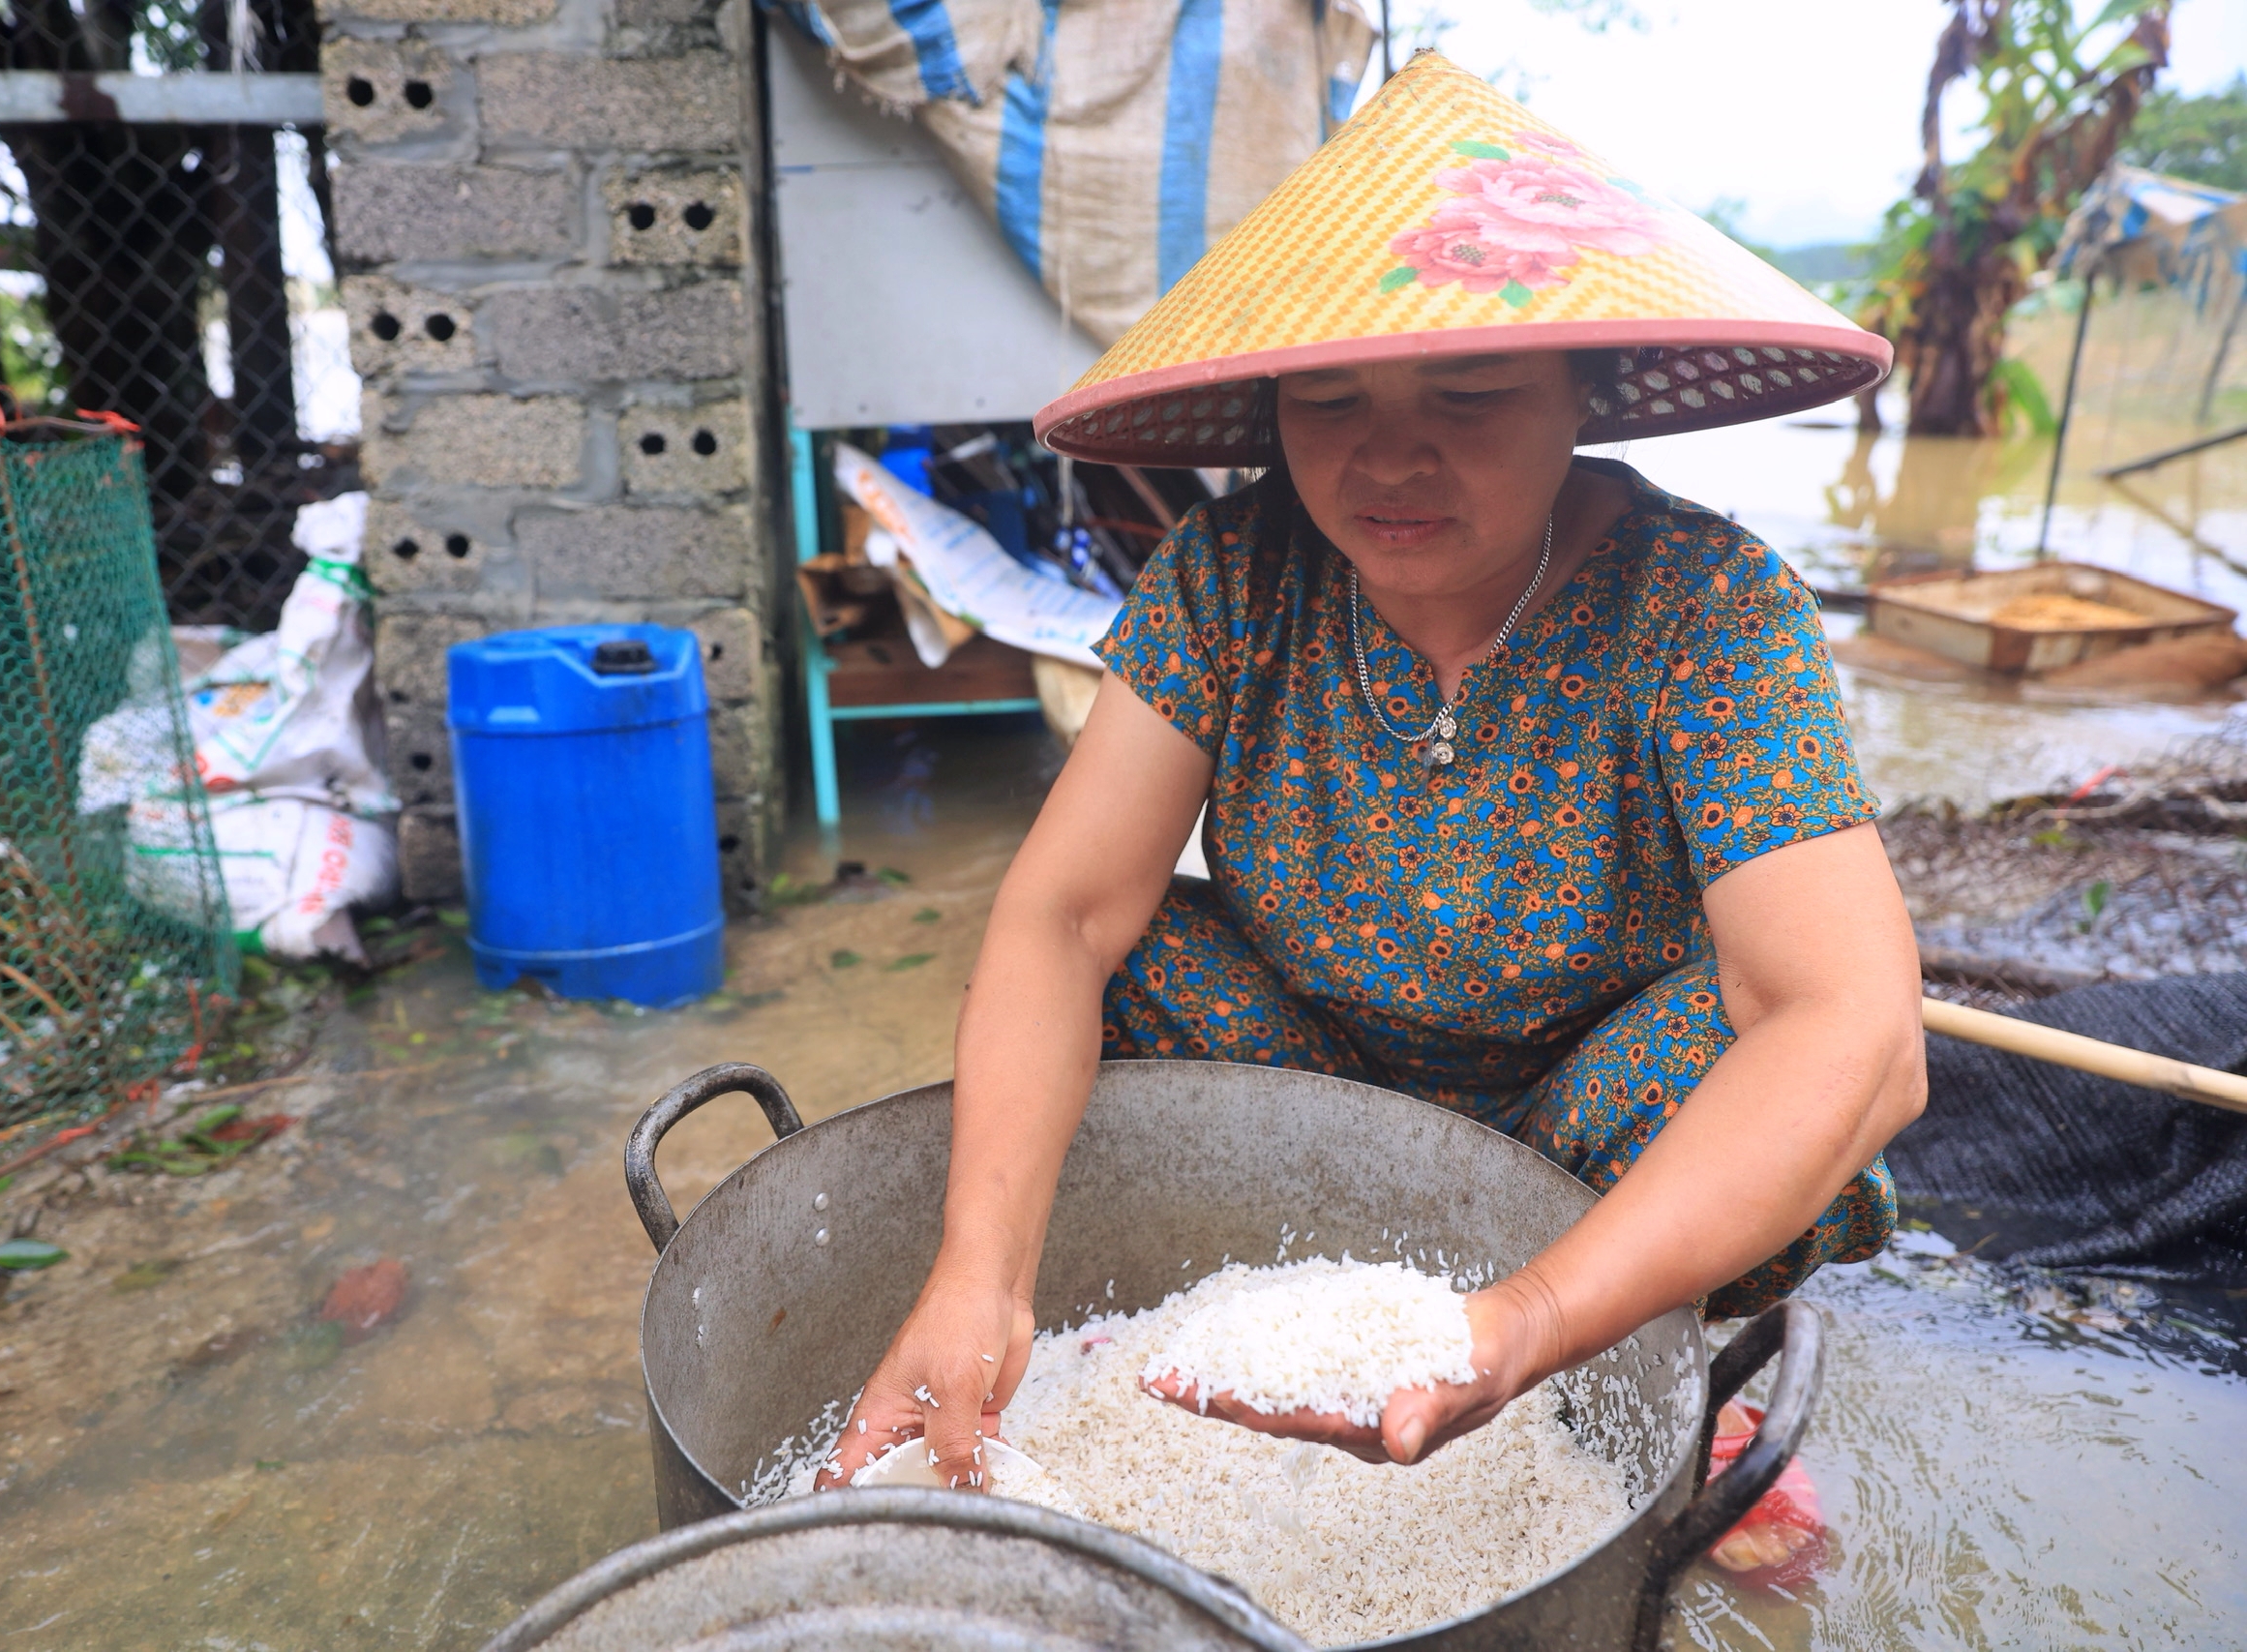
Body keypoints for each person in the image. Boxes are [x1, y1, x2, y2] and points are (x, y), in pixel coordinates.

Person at [820, 53, 1927, 1504]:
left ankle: (1631, 1351)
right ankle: (1182, 1317)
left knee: (1761, 1034)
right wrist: (980, 1273)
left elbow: (1865, 1031)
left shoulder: (1705, 608)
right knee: (1129, 945)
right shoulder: (1231, 575)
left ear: (1584, 388)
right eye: (1329, 399)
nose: (1389, 460)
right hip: (1312, 1088)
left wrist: (1517, 1327)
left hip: (1589, 1129)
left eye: (1469, 392)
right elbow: (1064, 916)